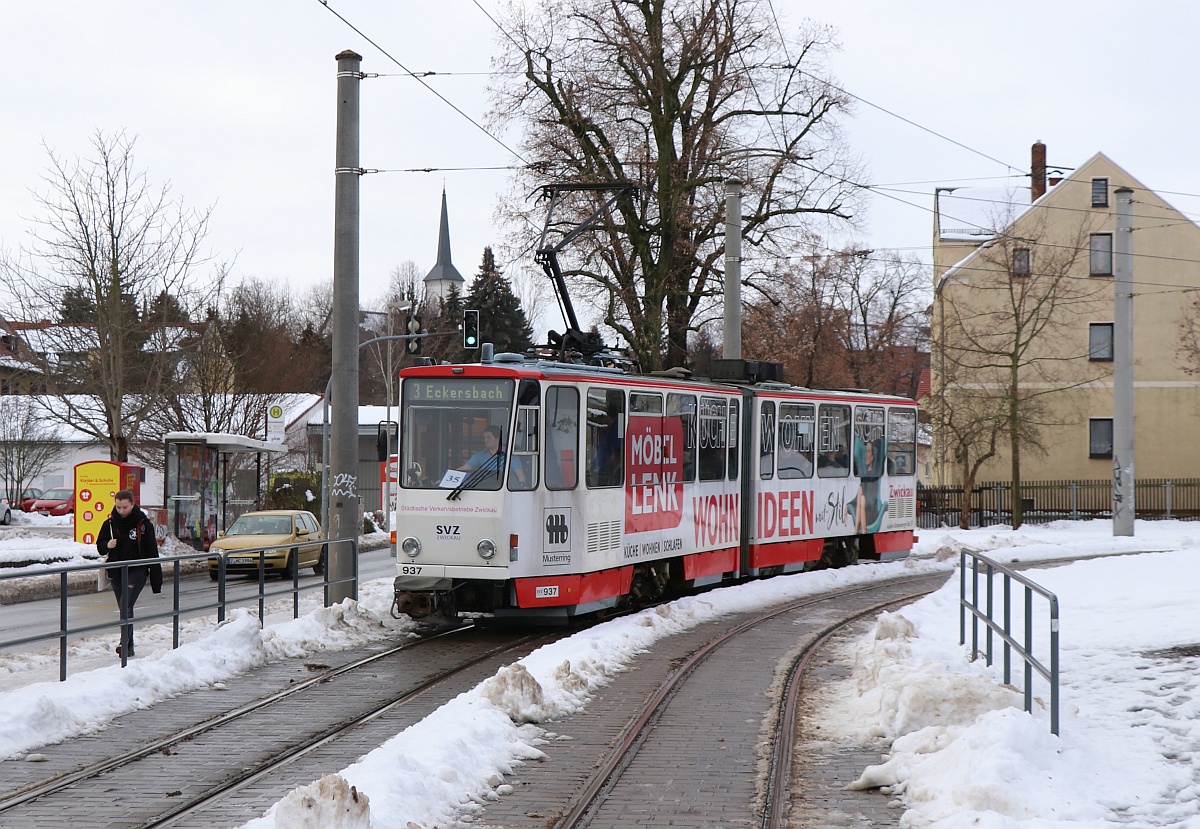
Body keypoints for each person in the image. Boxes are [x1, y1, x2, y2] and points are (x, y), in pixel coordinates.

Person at [97, 490, 162, 659]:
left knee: (126, 603)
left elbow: (152, 552)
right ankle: (129, 646)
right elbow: (100, 546)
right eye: (118, 507)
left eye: (125, 507)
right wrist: (107, 545)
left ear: (132, 504)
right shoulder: (110, 523)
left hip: (137, 570)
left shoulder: (143, 524)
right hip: (116, 571)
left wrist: (156, 581)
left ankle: (123, 642)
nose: (121, 511)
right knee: (124, 607)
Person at [460, 425, 527, 487]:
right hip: (486, 491)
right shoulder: (479, 456)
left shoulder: (509, 455)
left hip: (505, 491)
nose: (485, 440)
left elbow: (520, 474)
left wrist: (522, 486)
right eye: (484, 438)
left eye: (489, 437)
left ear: (498, 438)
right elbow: (464, 469)